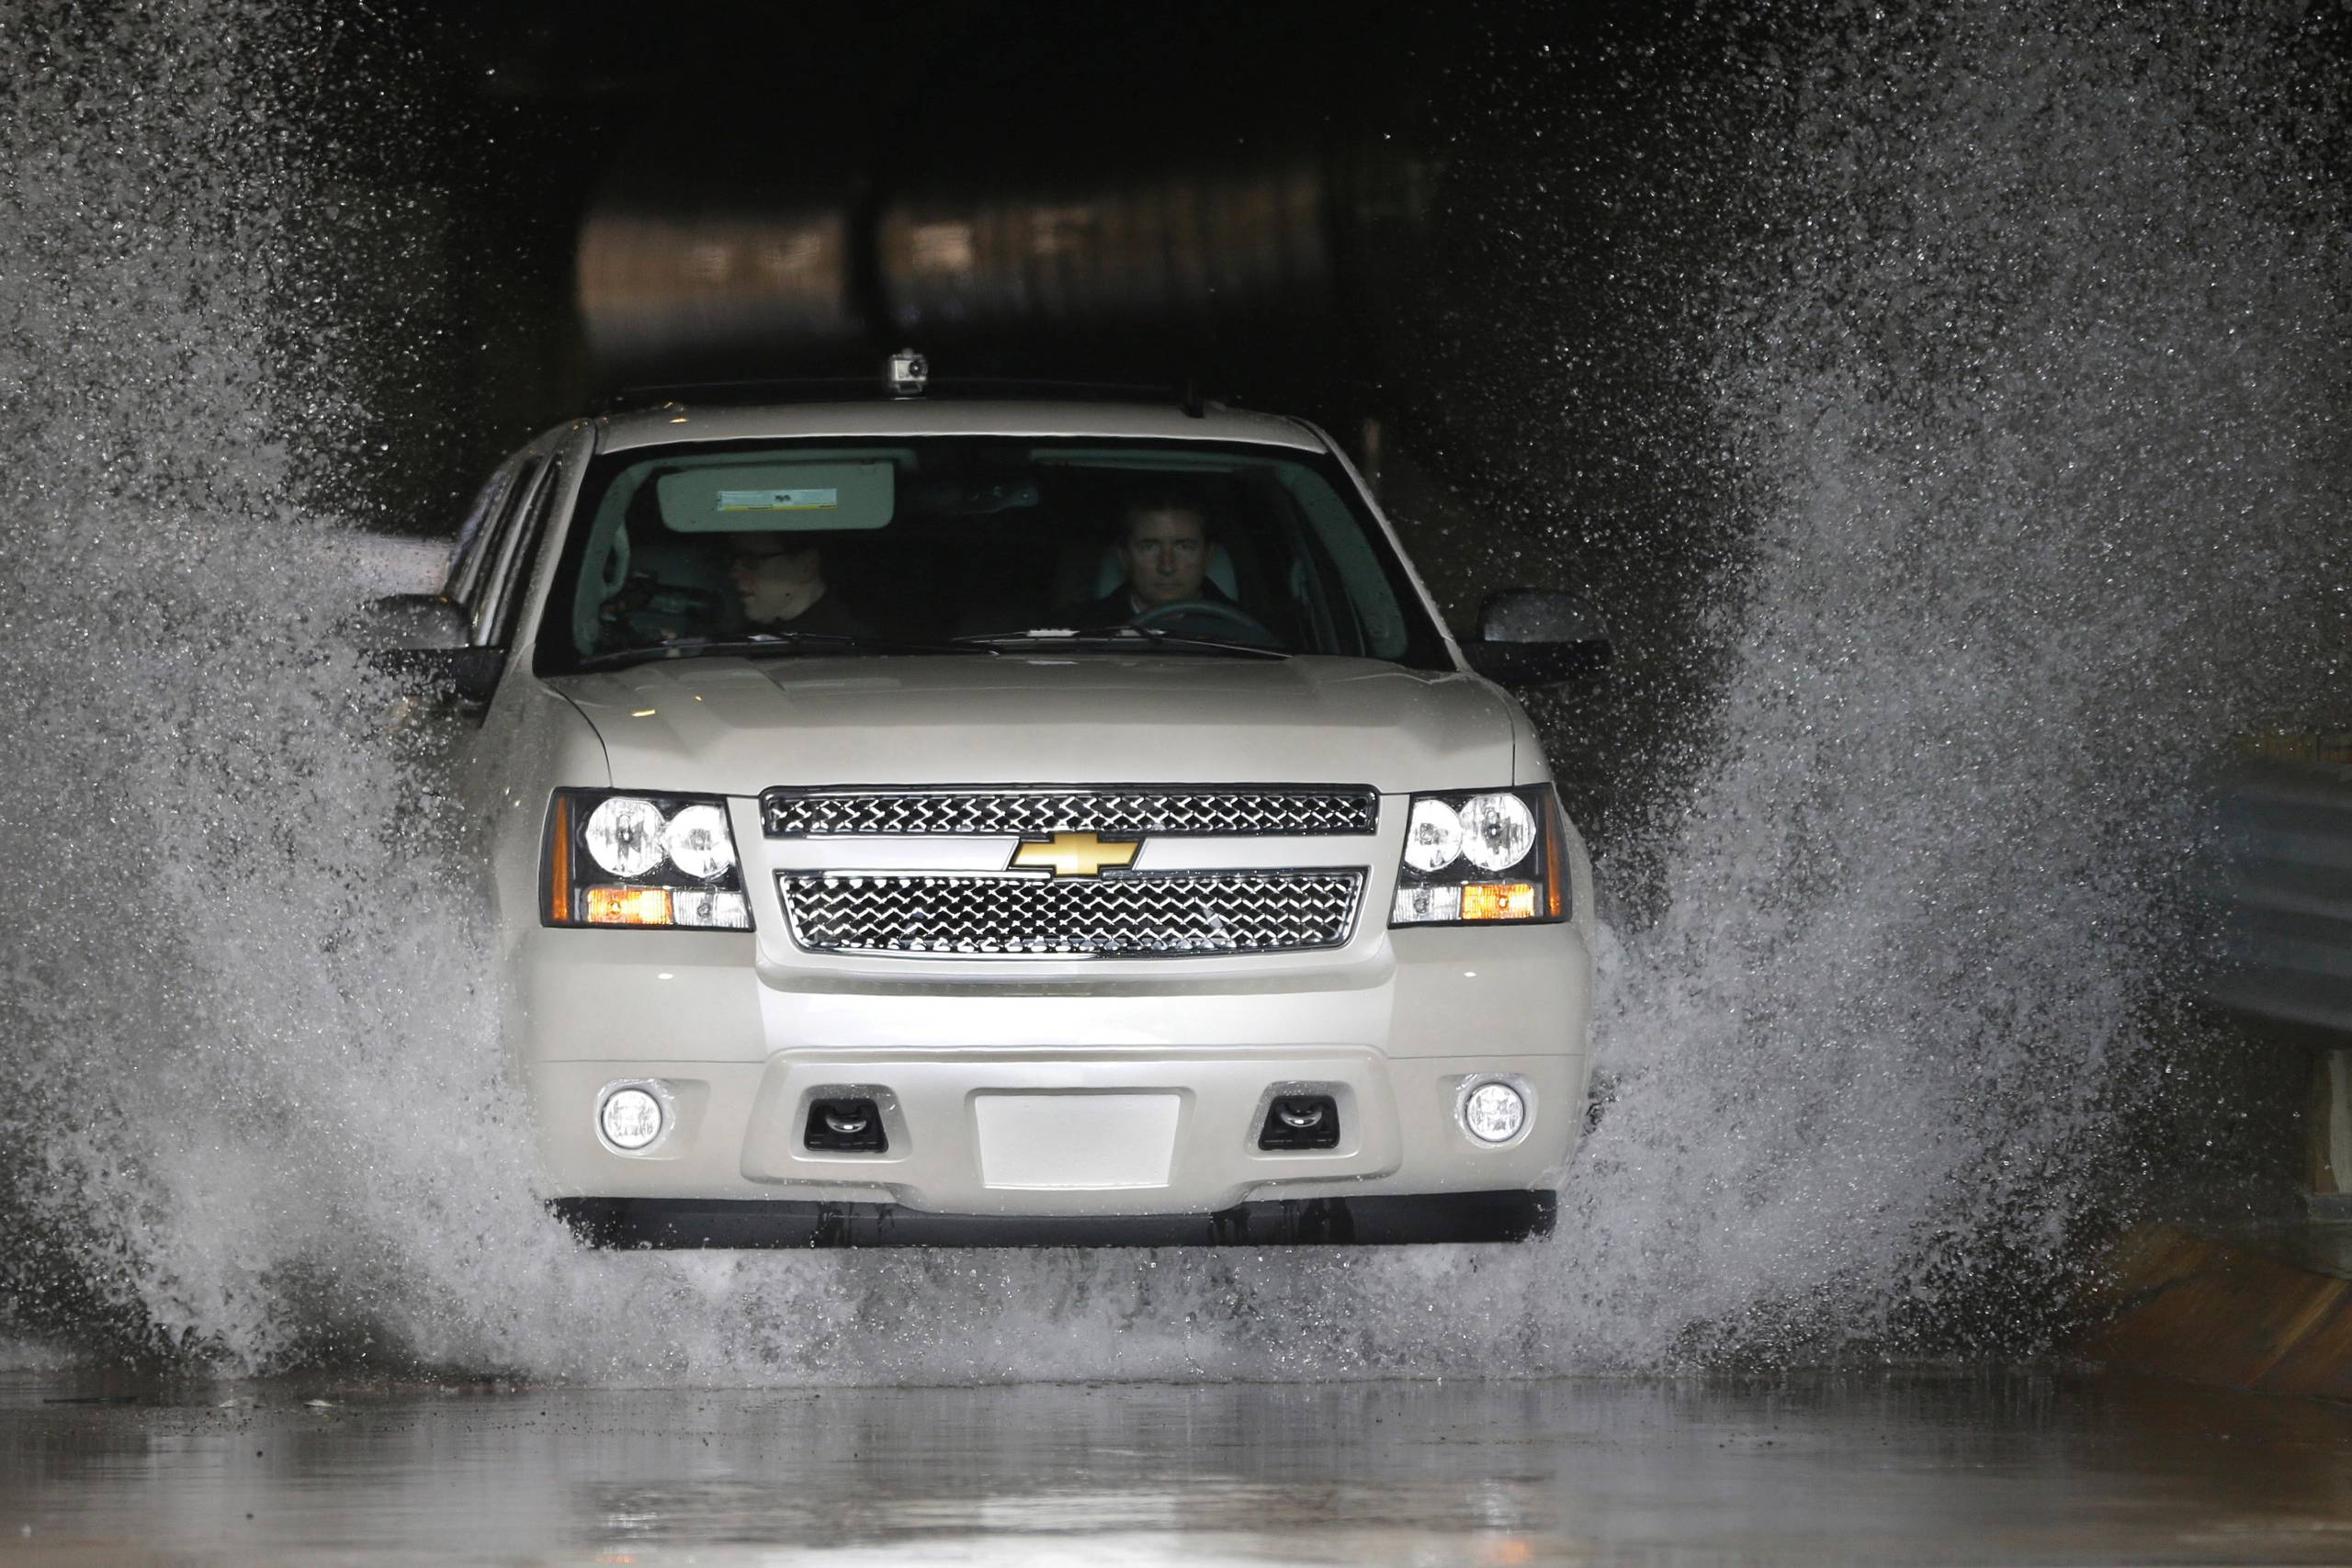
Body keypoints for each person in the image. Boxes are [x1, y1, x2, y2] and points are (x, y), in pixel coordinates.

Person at [1056, 497, 1234, 627]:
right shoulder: (1079, 631)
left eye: (1184, 547)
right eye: (1149, 547)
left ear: (1208, 556)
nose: (1167, 567)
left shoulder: (1247, 634)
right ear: (1124, 557)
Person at [727, 532, 868, 638]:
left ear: (807, 565)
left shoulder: (849, 646)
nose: (733, 574)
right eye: (733, 561)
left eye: (751, 561)